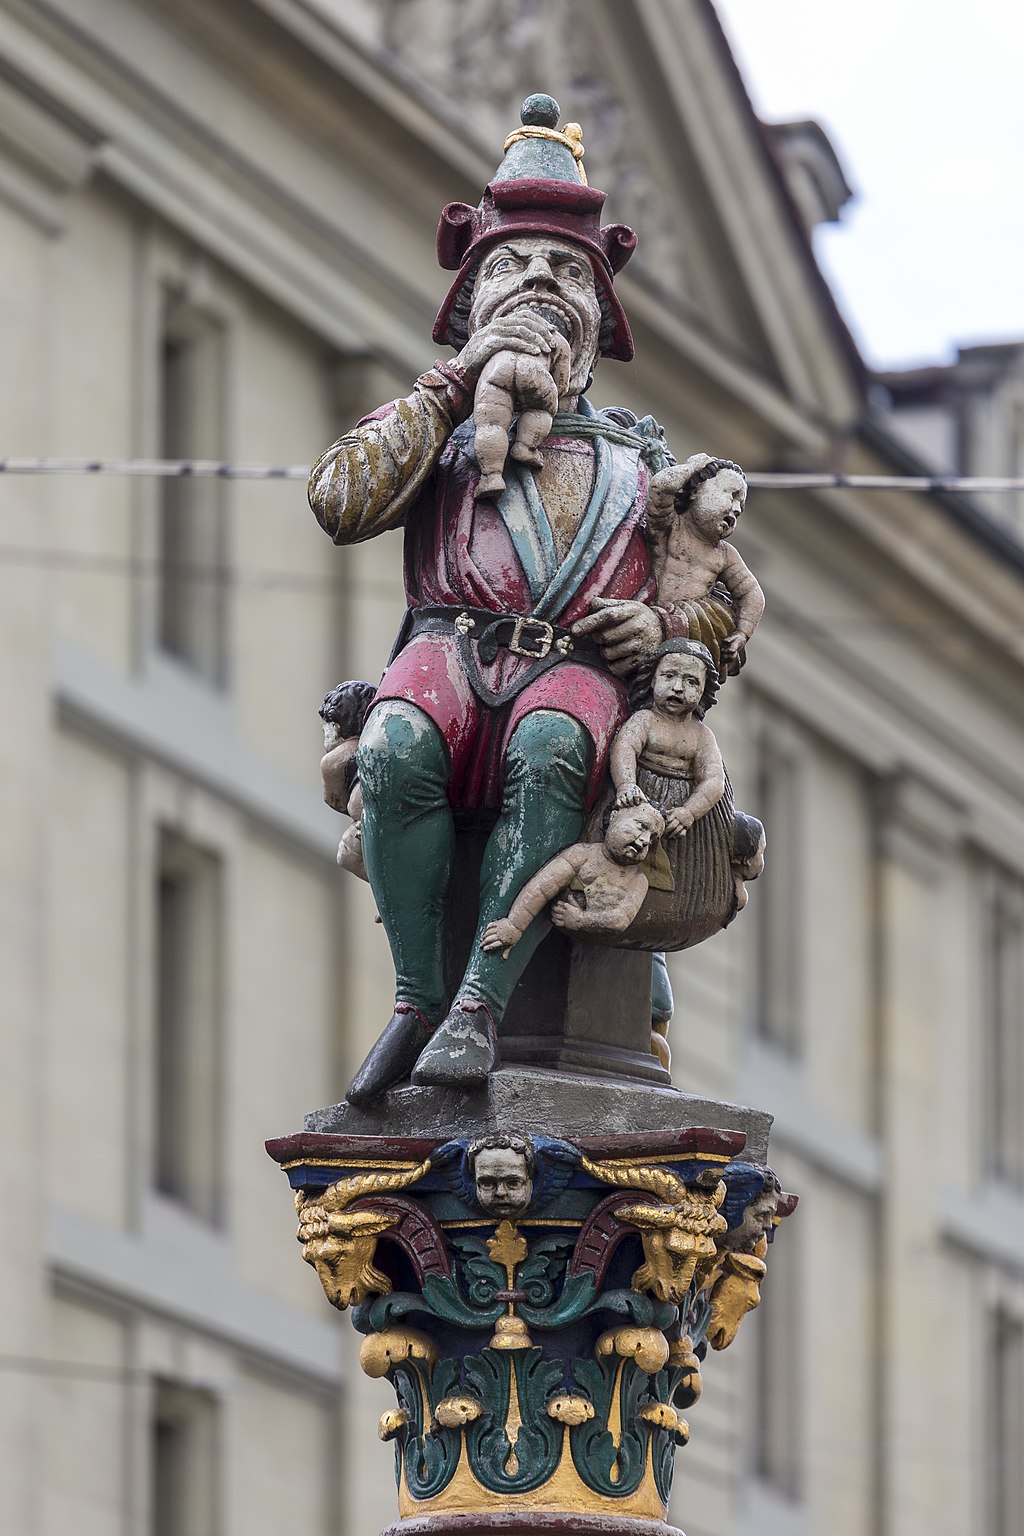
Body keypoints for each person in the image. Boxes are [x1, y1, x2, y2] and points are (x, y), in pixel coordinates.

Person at [309, 97, 694, 1101]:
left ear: (599, 320)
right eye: (511, 269)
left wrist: (659, 626)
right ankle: (416, 999)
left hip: (570, 666)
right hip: (450, 641)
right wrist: (450, 387)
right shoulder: (435, 432)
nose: (538, 285)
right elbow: (339, 501)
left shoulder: (641, 465)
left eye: (567, 272)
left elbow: (714, 606)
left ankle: (481, 1000)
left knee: (551, 750)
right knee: (393, 749)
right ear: (473, 300)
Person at [480, 802, 665, 957]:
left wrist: (580, 919)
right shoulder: (582, 854)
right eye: (641, 827)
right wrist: (514, 926)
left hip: (598, 960)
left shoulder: (638, 880)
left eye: (652, 839)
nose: (644, 841)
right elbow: (542, 887)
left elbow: (620, 919)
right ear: (615, 816)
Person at [645, 454, 764, 677]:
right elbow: (661, 487)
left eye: (741, 505)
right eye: (732, 495)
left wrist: (742, 633)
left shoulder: (724, 555)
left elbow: (751, 593)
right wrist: (694, 467)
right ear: (696, 490)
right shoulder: (671, 526)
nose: (736, 509)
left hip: (687, 631)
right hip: (651, 615)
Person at [610, 640, 726, 838]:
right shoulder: (645, 720)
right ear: (653, 680)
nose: (678, 687)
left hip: (680, 817)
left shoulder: (702, 735)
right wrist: (626, 786)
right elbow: (624, 748)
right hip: (640, 803)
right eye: (669, 676)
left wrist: (689, 812)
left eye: (691, 681)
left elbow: (714, 780)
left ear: (704, 689)